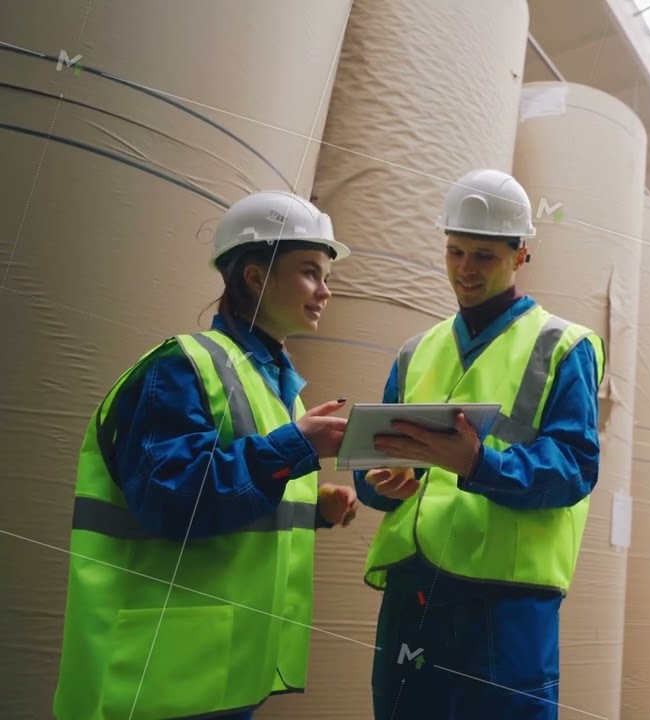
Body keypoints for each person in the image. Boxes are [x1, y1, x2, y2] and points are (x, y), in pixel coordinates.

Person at [53, 191, 360, 720]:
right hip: (154, 678)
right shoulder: (181, 367)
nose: (325, 291)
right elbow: (170, 501)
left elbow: (239, 503)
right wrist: (293, 448)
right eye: (310, 272)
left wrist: (316, 510)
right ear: (256, 278)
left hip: (218, 675)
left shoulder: (281, 391)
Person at [355, 169, 606, 719]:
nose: (465, 270)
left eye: (484, 256)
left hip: (504, 600)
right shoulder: (415, 351)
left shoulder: (562, 346)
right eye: (455, 251)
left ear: (521, 256)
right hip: (414, 588)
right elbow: (371, 468)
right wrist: (383, 484)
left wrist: (478, 464)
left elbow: (575, 467)